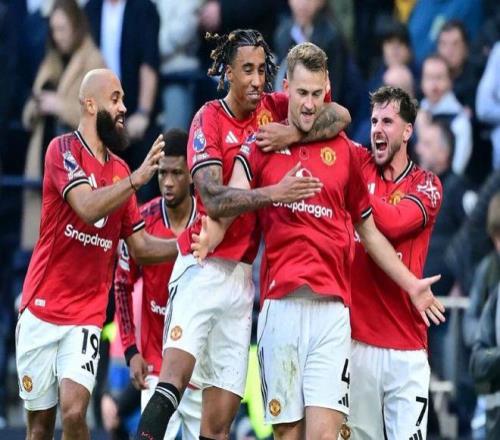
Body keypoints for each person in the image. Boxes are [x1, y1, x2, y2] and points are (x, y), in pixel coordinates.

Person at [192, 44, 445, 440]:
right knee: (288, 434)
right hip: (280, 306)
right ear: (286, 89)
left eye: (316, 94)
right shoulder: (261, 144)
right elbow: (234, 199)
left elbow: (369, 230)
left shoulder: (344, 152)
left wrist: (411, 284)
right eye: (301, 93)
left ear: (326, 89)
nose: (309, 104)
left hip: (331, 314)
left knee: (326, 435)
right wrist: (215, 231)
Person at [136, 29, 351, 440]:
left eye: (261, 71)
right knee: (170, 385)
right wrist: (273, 194)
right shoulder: (208, 119)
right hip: (202, 266)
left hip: (241, 279)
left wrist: (293, 133)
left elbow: (339, 115)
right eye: (247, 70)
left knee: (218, 425)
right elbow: (214, 198)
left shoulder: (273, 108)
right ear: (228, 73)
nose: (256, 80)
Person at [15, 68, 181, 440]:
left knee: (75, 411)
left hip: (86, 315)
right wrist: (136, 180)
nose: (123, 108)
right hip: (41, 307)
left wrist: (186, 247)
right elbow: (87, 207)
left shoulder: (121, 171)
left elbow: (140, 247)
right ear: (90, 105)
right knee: (39, 428)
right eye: (115, 99)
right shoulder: (62, 151)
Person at [346, 86, 443, 440]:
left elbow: (394, 223)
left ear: (407, 131)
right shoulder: (359, 163)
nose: (377, 129)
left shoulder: (428, 185)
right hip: (357, 345)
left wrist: (353, 196)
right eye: (374, 121)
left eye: (387, 121)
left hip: (407, 350)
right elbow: (329, 126)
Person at [114, 128, 202, 439]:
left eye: (176, 173)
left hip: (201, 366)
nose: (168, 182)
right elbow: (122, 284)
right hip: (156, 364)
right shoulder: (142, 221)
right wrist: (130, 351)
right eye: (162, 173)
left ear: (192, 175)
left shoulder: (211, 221)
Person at [20, 0, 105, 251]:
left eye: (62, 29)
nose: (58, 36)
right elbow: (27, 112)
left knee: (70, 245)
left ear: (76, 27)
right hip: (42, 159)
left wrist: (60, 106)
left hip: (74, 164)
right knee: (39, 245)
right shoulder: (50, 61)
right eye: (54, 30)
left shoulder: (93, 61)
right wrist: (36, 106)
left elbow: (101, 114)